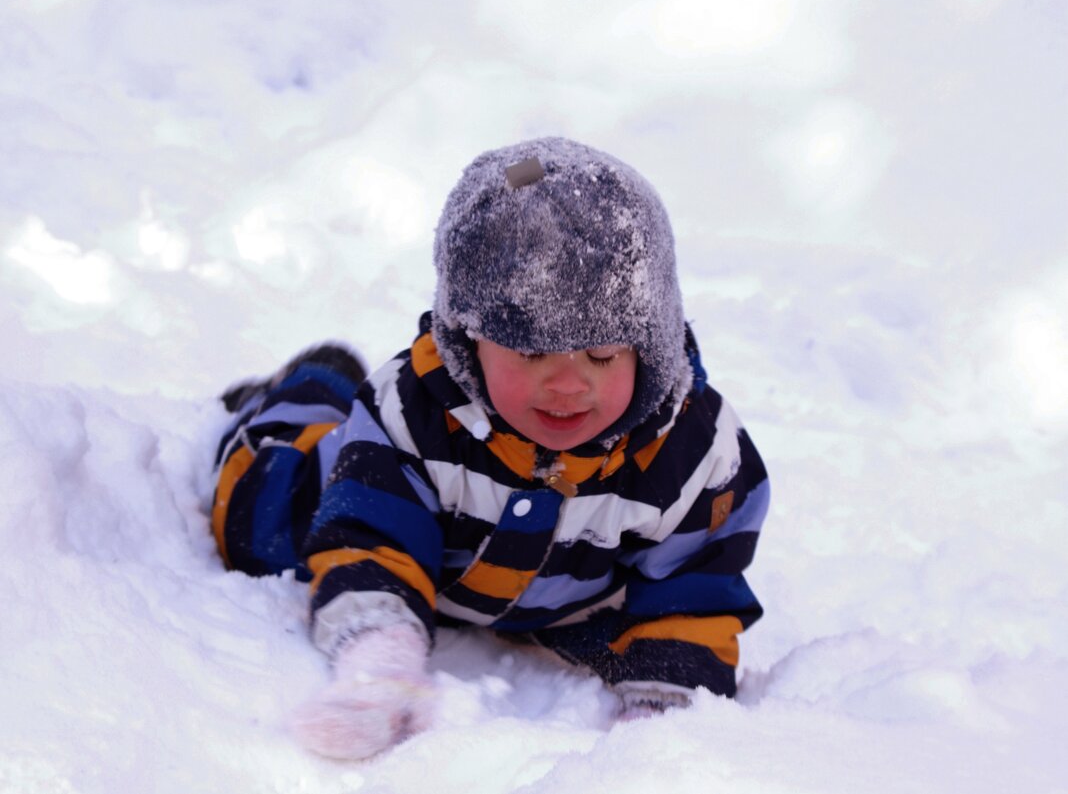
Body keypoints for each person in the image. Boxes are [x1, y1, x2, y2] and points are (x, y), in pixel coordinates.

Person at [211, 137, 770, 760]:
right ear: (467, 340)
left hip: (556, 588)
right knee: (251, 520)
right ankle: (313, 384)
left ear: (653, 344)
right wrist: (380, 654)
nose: (566, 384)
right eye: (530, 353)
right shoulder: (410, 412)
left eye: (603, 355)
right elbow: (370, 539)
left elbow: (693, 591)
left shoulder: (696, 456)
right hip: (339, 494)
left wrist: (661, 724)